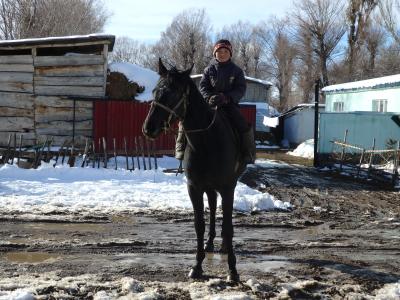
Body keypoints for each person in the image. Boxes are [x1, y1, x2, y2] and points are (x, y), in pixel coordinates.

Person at [175, 39, 255, 164]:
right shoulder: (209, 70)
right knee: (186, 119)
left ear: (230, 54)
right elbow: (203, 87)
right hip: (209, 105)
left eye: (225, 51)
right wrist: (208, 97)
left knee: (242, 123)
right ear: (215, 54)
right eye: (219, 51)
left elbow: (240, 89)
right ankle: (180, 149)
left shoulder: (237, 71)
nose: (222, 54)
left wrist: (227, 97)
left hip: (229, 105)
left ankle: (248, 153)